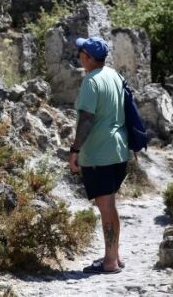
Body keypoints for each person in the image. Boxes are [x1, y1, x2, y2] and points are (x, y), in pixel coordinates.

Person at [68, 36, 128, 274]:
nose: (79, 58)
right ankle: (114, 256)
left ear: (87, 57)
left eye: (81, 53)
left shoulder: (91, 82)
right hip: (118, 151)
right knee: (110, 205)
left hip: (99, 154)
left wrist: (75, 150)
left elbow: (87, 119)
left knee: (106, 207)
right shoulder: (114, 75)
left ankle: (110, 262)